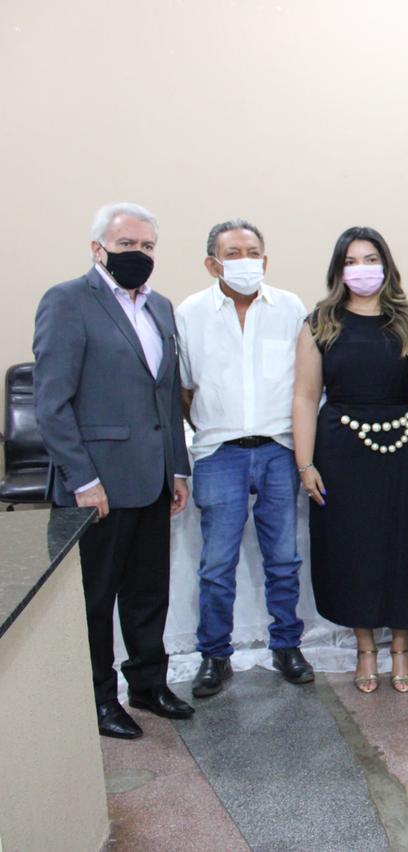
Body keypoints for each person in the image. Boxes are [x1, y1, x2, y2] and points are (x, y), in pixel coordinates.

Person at [33, 202, 193, 739]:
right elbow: (52, 404)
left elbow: (165, 396)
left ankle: (148, 684)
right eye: (127, 245)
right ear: (98, 248)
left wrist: (177, 468)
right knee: (95, 599)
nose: (138, 254)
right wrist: (83, 480)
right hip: (97, 483)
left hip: (153, 477)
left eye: (147, 246)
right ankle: (100, 699)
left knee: (149, 592)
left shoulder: (160, 306)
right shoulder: (68, 301)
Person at [292, 227, 408, 694]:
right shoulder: (320, 322)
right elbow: (305, 396)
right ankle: (365, 649)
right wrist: (305, 464)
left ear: (387, 264)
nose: (362, 269)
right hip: (340, 454)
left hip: (403, 450)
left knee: (401, 550)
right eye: (352, 261)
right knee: (353, 551)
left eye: (371, 258)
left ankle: (401, 647)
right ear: (338, 270)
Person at [176, 219, 313, 697]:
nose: (245, 261)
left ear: (266, 259)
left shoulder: (290, 307)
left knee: (283, 559)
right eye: (232, 253)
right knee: (217, 565)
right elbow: (185, 389)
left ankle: (286, 646)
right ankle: (215, 655)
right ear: (212, 263)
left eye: (253, 252)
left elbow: (305, 382)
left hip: (278, 449)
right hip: (219, 453)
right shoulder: (190, 313)